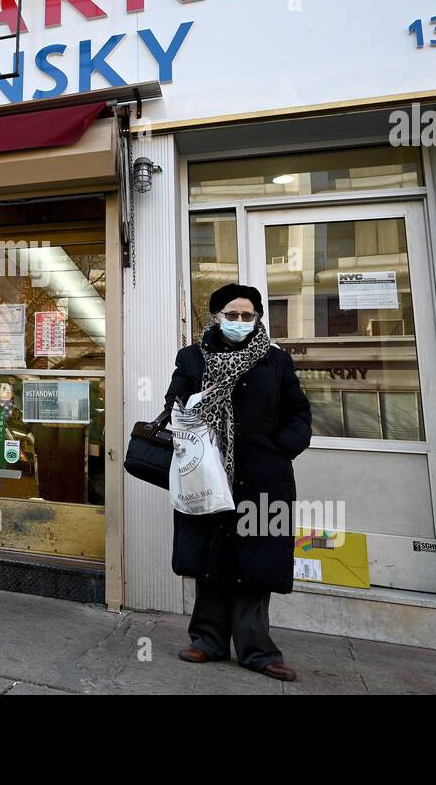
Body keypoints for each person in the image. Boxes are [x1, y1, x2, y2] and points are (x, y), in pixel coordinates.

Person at [163, 283, 311, 681]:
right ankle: (207, 640)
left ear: (258, 318)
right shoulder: (192, 358)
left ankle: (257, 651)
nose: (240, 322)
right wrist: (186, 413)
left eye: (248, 315)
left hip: (263, 475)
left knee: (256, 563)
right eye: (232, 314)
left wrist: (283, 447)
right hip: (209, 474)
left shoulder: (277, 361)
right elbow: (173, 404)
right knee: (211, 558)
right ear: (216, 317)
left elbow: (298, 412)